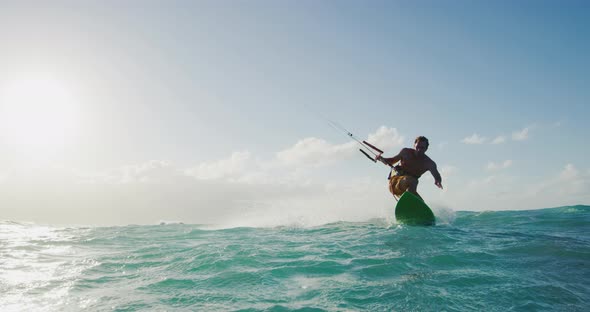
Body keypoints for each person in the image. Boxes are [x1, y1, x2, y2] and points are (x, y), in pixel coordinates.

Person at [376, 136, 443, 200]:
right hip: (395, 182)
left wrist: (438, 181)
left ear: (426, 149)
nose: (419, 150)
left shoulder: (429, 163)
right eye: (417, 147)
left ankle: (410, 204)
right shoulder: (405, 152)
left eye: (422, 148)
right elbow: (392, 161)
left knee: (420, 203)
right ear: (414, 145)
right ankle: (408, 200)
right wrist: (382, 159)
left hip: (409, 188)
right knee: (413, 181)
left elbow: (437, 175)